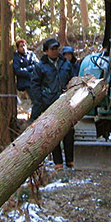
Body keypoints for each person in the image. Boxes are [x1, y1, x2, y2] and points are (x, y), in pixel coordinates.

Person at [30, 37, 75, 170]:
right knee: (53, 133)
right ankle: (58, 162)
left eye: (56, 49)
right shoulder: (40, 66)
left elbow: (73, 79)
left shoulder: (65, 64)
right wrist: (41, 101)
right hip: (49, 104)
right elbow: (35, 85)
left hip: (66, 103)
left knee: (69, 132)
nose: (55, 51)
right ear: (46, 51)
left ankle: (70, 160)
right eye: (52, 49)